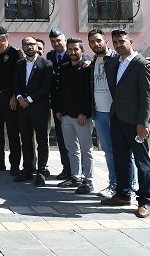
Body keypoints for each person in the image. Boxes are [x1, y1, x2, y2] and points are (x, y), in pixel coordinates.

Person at [100, 29, 150, 219]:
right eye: (115, 42)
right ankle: (123, 194)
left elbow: (147, 96)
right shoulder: (115, 61)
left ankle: (145, 201)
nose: (118, 45)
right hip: (117, 118)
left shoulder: (142, 64)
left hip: (135, 122)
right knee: (121, 159)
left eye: (121, 41)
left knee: (142, 163)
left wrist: (143, 123)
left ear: (131, 41)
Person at [53, 38, 94, 194]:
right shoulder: (63, 68)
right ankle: (75, 177)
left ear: (82, 51)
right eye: (70, 50)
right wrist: (58, 110)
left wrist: (84, 112)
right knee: (71, 148)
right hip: (66, 116)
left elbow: (88, 93)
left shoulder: (87, 68)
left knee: (86, 149)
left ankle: (88, 180)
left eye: (76, 49)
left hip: (81, 116)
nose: (72, 52)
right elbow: (59, 91)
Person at [13, 36, 54, 187]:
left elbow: (46, 86)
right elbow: (16, 83)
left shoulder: (46, 64)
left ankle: (41, 172)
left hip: (39, 108)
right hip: (22, 109)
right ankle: (28, 169)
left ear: (37, 46)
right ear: (22, 47)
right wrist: (19, 97)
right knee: (26, 140)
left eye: (31, 44)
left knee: (42, 141)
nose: (29, 47)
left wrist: (28, 99)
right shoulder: (19, 64)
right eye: (25, 44)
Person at [0, 27, 23, 175]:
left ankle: (14, 165)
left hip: (10, 97)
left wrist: (15, 96)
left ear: (3, 38)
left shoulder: (15, 54)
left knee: (13, 132)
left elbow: (19, 77)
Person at [46, 28, 72, 181]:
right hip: (57, 106)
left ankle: (77, 170)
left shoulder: (72, 54)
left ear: (65, 40)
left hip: (71, 104)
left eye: (59, 40)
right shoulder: (50, 55)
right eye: (53, 41)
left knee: (73, 141)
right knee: (61, 139)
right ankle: (66, 168)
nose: (56, 44)